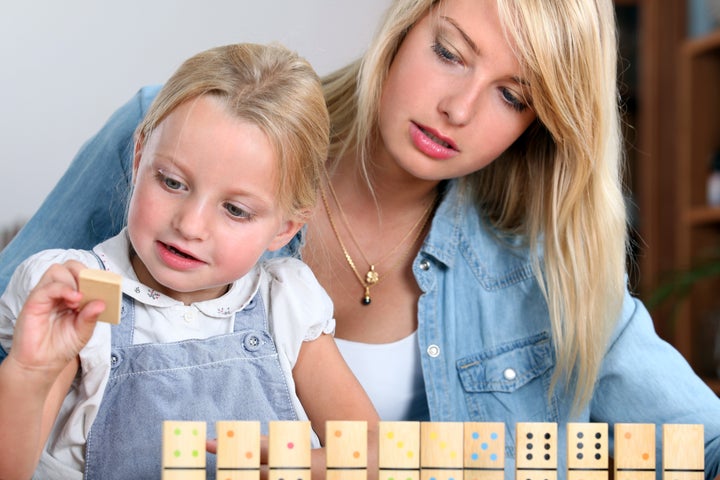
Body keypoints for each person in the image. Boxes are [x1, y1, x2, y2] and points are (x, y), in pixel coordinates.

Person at [1, 0, 719, 478]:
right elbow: (18, 360)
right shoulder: (184, 130)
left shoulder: (546, 271)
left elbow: (702, 445)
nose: (458, 108)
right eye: (449, 51)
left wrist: (379, 463)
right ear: (407, 25)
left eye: (513, 96)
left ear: (542, 123)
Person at [0, 43, 380, 479]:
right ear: (140, 156)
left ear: (286, 228)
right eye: (173, 182)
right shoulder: (88, 291)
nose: (191, 224)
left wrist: (300, 465)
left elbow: (374, 455)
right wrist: (28, 373)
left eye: (235, 210)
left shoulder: (284, 303)